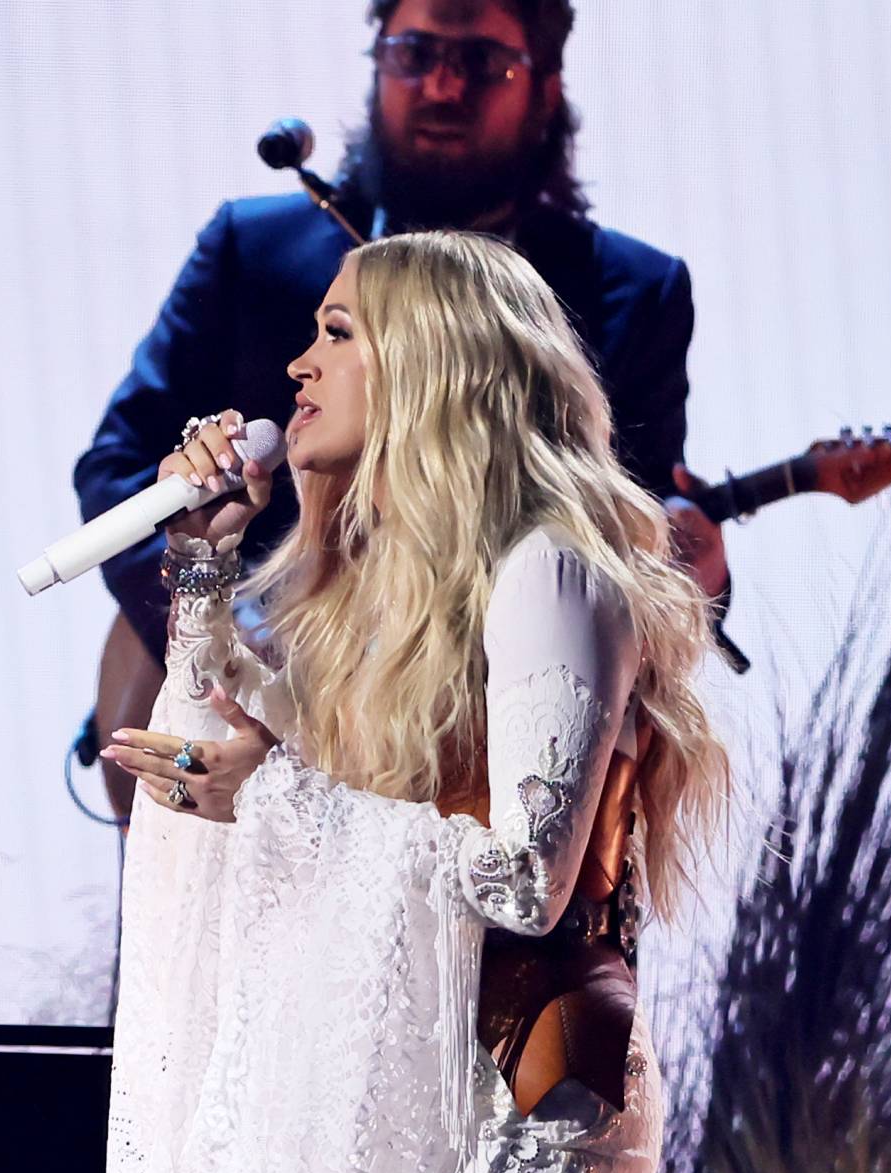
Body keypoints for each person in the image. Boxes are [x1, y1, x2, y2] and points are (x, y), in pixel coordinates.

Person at [99, 232, 728, 1173]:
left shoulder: (549, 568)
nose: (299, 364)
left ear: (433, 361)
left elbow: (527, 883)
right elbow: (233, 738)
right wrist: (201, 562)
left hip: (538, 1103)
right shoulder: (391, 596)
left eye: (338, 333)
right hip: (429, 1079)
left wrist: (267, 796)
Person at [75, 0, 731, 822]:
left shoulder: (628, 291)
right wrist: (225, 624)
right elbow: (114, 468)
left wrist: (688, 569)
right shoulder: (255, 248)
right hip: (255, 693)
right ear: (376, 59)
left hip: (460, 733)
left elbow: (630, 541)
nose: (443, 86)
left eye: (483, 63)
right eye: (415, 52)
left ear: (548, 88)